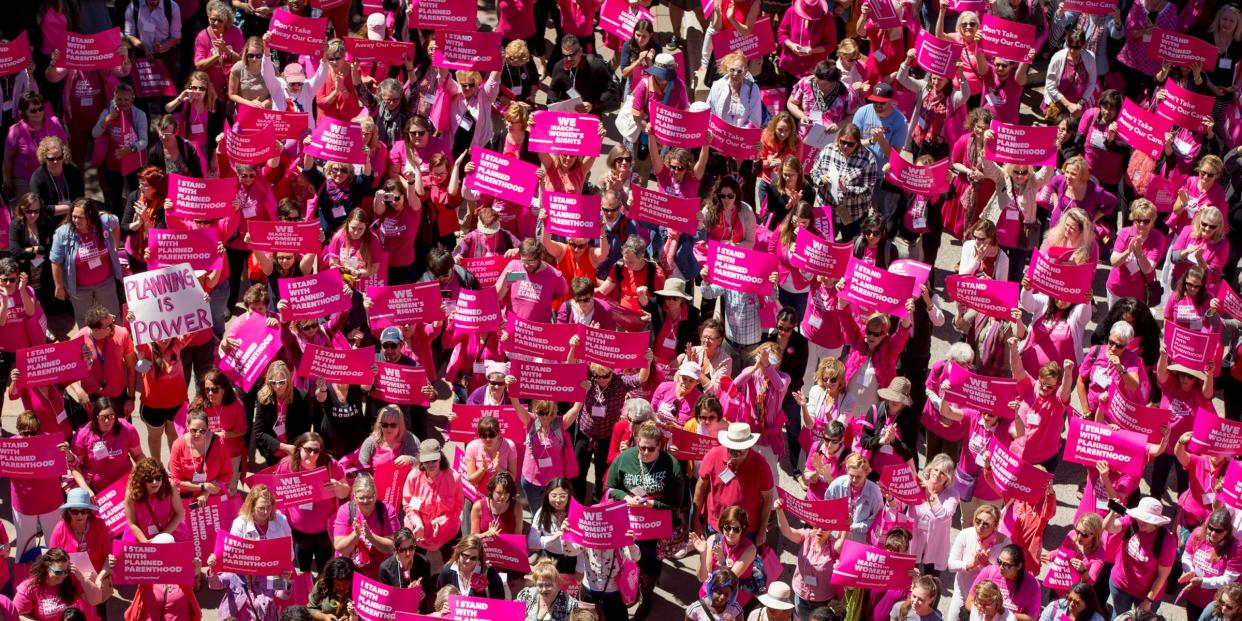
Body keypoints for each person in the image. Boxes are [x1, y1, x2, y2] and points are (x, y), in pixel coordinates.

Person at [606, 420, 684, 619]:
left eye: (651, 449)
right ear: (636, 442)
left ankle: (647, 596)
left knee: (651, 562)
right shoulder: (624, 459)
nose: (646, 453)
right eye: (642, 448)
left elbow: (677, 502)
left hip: (656, 525)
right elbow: (610, 487)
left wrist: (653, 505)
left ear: (660, 446)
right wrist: (626, 497)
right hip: (630, 521)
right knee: (629, 558)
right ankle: (632, 589)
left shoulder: (670, 464)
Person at [210, 484, 293, 621]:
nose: (266, 512)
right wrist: (213, 567)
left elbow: (284, 592)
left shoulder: (280, 520)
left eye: (269, 507)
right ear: (252, 507)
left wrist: (286, 581)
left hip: (272, 571)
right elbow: (230, 555)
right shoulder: (240, 523)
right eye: (261, 508)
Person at [694, 423, 776, 545]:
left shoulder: (761, 465)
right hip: (715, 525)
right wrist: (696, 521)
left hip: (747, 530)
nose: (735, 453)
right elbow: (700, 490)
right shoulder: (713, 456)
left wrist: (762, 530)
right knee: (713, 562)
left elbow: (768, 500)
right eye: (732, 449)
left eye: (740, 449)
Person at [49, 198, 121, 325]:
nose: (76, 220)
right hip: (79, 288)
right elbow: (55, 261)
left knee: (113, 316)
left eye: (80, 217)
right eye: (74, 216)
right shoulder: (62, 233)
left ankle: (116, 343)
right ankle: (89, 344)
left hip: (106, 282)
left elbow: (116, 222)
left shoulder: (103, 222)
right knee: (85, 320)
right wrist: (59, 286)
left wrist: (115, 247)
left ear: (90, 216)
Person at [1103, 496, 1177, 616]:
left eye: (1145, 519)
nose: (1140, 521)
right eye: (1140, 517)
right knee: (1119, 616)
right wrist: (1112, 513)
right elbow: (1108, 527)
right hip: (1120, 585)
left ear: (1156, 522)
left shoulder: (1167, 541)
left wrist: (1148, 601)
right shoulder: (1133, 521)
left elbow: (1162, 576)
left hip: (1146, 594)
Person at [773, 496, 837, 619]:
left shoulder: (834, 545)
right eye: (817, 526)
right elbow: (787, 532)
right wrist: (779, 511)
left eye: (824, 528)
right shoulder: (807, 536)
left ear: (831, 530)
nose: (819, 531)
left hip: (823, 601)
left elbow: (843, 544)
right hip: (801, 596)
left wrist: (846, 529)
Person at [13, 548, 112, 621]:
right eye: (58, 572)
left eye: (67, 570)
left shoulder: (70, 578)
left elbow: (96, 600)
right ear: (46, 568)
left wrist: (82, 578)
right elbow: (16, 614)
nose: (63, 575)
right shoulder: (29, 588)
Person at [1178, 509, 1242, 621]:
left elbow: (1228, 580)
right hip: (1194, 595)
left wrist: (1202, 581)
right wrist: (1190, 570)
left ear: (1227, 531)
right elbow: (1186, 555)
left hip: (1219, 603)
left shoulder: (1236, 548)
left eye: (1218, 530)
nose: (1213, 533)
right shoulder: (1198, 534)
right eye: (1211, 528)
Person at [332, 475, 399, 579]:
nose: (366, 501)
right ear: (354, 496)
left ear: (376, 495)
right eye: (361, 498)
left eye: (370, 497)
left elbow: (393, 546)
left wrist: (371, 537)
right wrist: (355, 535)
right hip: (351, 571)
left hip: (378, 572)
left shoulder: (386, 510)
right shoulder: (345, 510)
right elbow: (340, 547)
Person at [168, 409, 232, 502]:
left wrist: (206, 492)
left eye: (202, 431)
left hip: (213, 495)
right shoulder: (178, 445)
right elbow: (176, 481)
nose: (198, 434)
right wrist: (202, 487)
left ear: (208, 428)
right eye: (193, 430)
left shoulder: (219, 443)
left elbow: (227, 474)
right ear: (187, 426)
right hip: (187, 497)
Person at [966, 545, 1039, 621]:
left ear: (1019, 566)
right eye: (999, 561)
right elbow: (968, 602)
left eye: (1006, 565)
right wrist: (984, 613)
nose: (1000, 567)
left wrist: (1005, 616)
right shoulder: (988, 572)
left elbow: (1032, 618)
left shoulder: (1032, 584)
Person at [824, 453, 884, 543]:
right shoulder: (837, 484)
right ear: (847, 470)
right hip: (835, 535)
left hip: (859, 540)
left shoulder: (875, 493)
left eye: (858, 476)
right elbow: (826, 505)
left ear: (866, 473)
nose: (854, 480)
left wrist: (852, 527)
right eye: (851, 475)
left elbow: (876, 521)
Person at [379, 528, 432, 610]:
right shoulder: (385, 568)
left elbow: (429, 590)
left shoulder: (423, 562)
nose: (408, 553)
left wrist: (423, 593)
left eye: (411, 548)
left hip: (418, 612)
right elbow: (385, 601)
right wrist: (407, 593)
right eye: (403, 550)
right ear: (396, 550)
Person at [436, 535, 505, 598]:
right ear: (459, 552)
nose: (468, 561)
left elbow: (499, 601)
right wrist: (443, 606)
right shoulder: (447, 571)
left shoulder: (489, 573)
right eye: (465, 556)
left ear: (479, 557)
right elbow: (438, 598)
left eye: (473, 558)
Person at [516, 559, 580, 621]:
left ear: (557, 583)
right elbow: (513, 616)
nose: (544, 589)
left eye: (548, 585)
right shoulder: (526, 595)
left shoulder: (570, 605)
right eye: (540, 585)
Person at [1038, 583, 1105, 621]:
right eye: (1070, 599)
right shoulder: (1054, 607)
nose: (1071, 604)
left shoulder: (1097, 619)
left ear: (1087, 604)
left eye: (1077, 603)